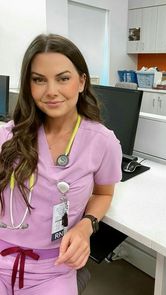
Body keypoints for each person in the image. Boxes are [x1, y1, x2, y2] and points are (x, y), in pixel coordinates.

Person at [0, 33, 122, 294]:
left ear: (81, 81)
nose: (51, 91)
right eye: (39, 80)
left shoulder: (102, 141)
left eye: (63, 78)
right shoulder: (7, 137)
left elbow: (104, 193)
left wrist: (85, 226)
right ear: (28, 85)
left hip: (54, 267)